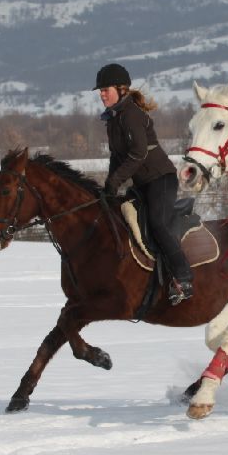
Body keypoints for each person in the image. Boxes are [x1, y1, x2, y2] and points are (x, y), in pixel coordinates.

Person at [95, 63, 193, 305]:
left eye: (106, 89)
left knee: (158, 223)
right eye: (100, 91)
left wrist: (116, 180)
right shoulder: (113, 120)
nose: (102, 94)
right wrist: (109, 187)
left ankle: (183, 277)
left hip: (161, 179)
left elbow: (138, 154)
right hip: (142, 183)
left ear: (122, 89)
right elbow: (116, 157)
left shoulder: (132, 115)